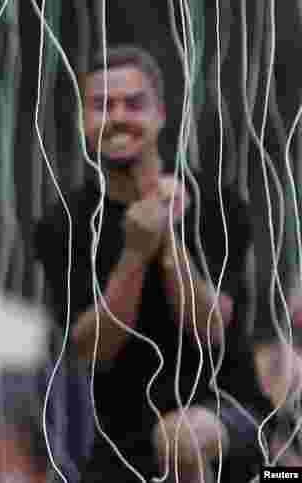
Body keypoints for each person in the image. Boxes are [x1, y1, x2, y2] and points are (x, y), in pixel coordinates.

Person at [33, 46, 275, 482]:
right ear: (84, 122)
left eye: (134, 103)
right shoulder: (63, 222)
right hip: (120, 441)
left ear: (161, 115)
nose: (119, 116)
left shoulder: (217, 204)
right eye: (103, 105)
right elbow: (90, 350)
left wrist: (166, 238)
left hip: (226, 416)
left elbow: (211, 329)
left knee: (179, 438)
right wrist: (134, 250)